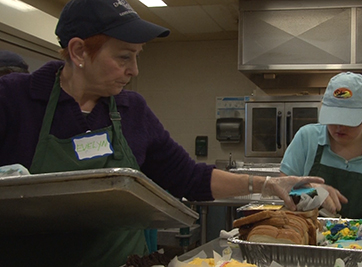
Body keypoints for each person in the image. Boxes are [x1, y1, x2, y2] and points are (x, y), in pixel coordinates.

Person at [0, 0, 325, 266]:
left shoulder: (131, 111)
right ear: (79, 52)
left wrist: (271, 185)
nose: (134, 70)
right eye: (124, 56)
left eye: (137, 56)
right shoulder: (13, 100)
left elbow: (189, 177)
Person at [280, 71, 362, 220]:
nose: (339, 127)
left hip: (359, 240)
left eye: (348, 120)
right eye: (333, 118)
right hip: (307, 234)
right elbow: (283, 185)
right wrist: (311, 189)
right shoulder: (307, 138)